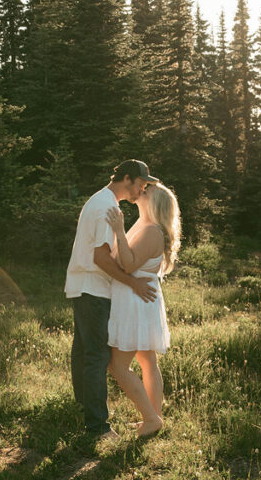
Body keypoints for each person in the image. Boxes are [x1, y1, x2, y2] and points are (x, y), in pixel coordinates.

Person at [65, 159, 160, 437]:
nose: (142, 189)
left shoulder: (101, 200)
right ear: (127, 178)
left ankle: (84, 407)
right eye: (141, 183)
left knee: (83, 350)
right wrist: (133, 283)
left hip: (83, 286)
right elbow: (101, 257)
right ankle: (98, 427)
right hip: (93, 288)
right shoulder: (107, 206)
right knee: (96, 355)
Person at [104, 181, 180, 438]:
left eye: (147, 191)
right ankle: (153, 419)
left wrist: (118, 229)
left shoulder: (151, 232)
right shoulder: (147, 225)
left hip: (136, 304)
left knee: (117, 366)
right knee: (147, 361)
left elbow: (127, 265)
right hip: (142, 301)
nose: (141, 190)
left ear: (154, 203)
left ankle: (150, 418)